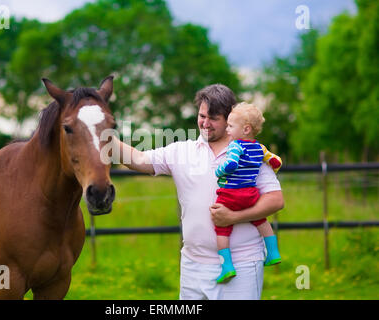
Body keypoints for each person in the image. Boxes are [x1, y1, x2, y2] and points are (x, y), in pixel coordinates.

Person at [112, 84, 284, 300]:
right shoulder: (181, 151)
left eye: (214, 118)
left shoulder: (250, 152)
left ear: (229, 117)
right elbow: (139, 159)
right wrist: (104, 138)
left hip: (243, 265)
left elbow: (276, 200)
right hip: (192, 266)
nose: (205, 123)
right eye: (202, 115)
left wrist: (233, 217)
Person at [214, 102, 282, 284]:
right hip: (251, 194)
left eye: (230, 126)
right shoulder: (260, 148)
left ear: (245, 129)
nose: (227, 130)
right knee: (260, 219)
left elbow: (231, 164)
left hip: (230, 194)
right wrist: (273, 169)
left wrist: (219, 171)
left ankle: (227, 266)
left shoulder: (235, 146)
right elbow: (275, 161)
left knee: (221, 228)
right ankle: (273, 253)